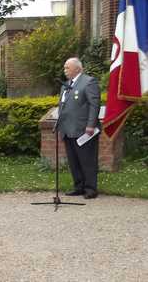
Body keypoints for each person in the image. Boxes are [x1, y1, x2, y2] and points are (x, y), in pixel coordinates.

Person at [57, 57, 101, 199]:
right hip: (68, 129)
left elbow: (94, 105)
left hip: (83, 130)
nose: (65, 70)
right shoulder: (65, 85)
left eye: (67, 67)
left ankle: (90, 189)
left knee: (87, 160)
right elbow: (62, 107)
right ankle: (79, 186)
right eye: (64, 67)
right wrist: (61, 128)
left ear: (77, 68)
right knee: (73, 161)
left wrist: (91, 125)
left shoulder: (88, 82)